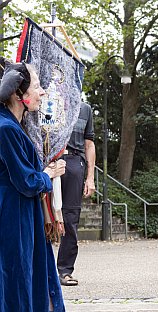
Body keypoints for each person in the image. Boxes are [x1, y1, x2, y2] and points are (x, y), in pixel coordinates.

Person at [0, 59, 93, 312]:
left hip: (26, 221)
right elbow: (26, 181)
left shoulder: (17, 126)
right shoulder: (5, 128)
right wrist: (48, 174)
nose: (42, 91)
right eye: (37, 86)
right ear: (19, 94)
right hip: (10, 222)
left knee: (47, 286)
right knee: (10, 292)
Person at [57, 101, 96, 286]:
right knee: (40, 215)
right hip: (49, 160)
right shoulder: (47, 99)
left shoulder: (85, 109)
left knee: (70, 218)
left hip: (74, 161)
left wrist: (90, 177)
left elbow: (89, 144)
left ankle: (65, 270)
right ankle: (39, 271)